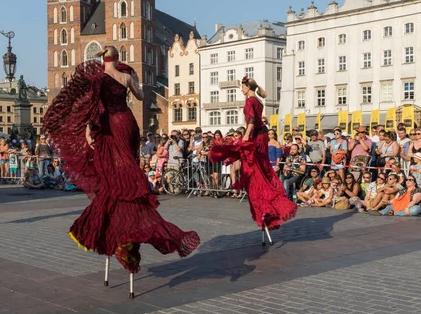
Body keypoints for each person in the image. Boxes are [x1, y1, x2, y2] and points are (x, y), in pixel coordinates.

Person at [43, 46, 200, 273]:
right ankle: (126, 231)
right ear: (117, 59)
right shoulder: (125, 76)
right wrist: (134, 79)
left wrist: (88, 130)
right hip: (126, 123)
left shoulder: (99, 79)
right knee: (125, 166)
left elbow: (92, 107)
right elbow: (141, 96)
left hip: (109, 125)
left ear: (103, 59)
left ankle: (119, 235)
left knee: (113, 172)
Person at [208, 76, 297, 230]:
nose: (241, 89)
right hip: (261, 136)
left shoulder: (250, 101)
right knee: (259, 168)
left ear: (247, 87)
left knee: (252, 167)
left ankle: (265, 204)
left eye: (242, 87)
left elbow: (251, 120)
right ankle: (267, 205)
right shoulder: (258, 101)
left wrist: (247, 135)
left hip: (256, 135)